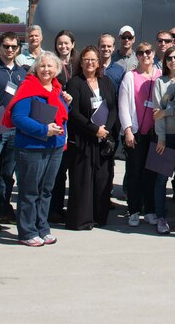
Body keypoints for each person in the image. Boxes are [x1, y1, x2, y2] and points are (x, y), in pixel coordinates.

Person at [4, 51, 68, 246]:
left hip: (54, 147)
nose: (46, 69)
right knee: (30, 191)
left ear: (57, 69)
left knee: (46, 190)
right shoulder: (28, 88)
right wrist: (43, 130)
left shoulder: (57, 89)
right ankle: (27, 231)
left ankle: (43, 227)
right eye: (42, 66)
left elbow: (62, 116)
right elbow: (18, 118)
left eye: (50, 66)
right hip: (32, 147)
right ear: (36, 68)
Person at [65, 46, 118, 230]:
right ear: (81, 62)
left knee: (102, 178)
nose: (90, 63)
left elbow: (113, 108)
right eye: (86, 59)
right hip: (83, 140)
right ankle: (82, 219)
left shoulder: (106, 82)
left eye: (93, 60)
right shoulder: (75, 83)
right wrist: (94, 129)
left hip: (103, 139)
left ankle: (99, 217)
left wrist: (106, 130)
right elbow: (74, 113)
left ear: (98, 63)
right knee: (83, 180)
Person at [0, 31, 27, 225]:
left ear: (18, 49)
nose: (10, 50)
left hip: (14, 130)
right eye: (6, 46)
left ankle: (3, 209)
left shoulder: (22, 73)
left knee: (7, 174)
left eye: (13, 46)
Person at [118, 41, 160, 226]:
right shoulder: (130, 76)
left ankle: (150, 210)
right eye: (141, 52)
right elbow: (123, 105)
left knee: (152, 174)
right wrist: (127, 129)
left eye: (148, 52)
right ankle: (134, 210)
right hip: (136, 133)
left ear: (153, 53)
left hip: (155, 133)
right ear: (137, 55)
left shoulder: (160, 75)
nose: (145, 55)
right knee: (135, 173)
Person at [152, 46, 175, 234]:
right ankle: (161, 217)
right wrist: (161, 138)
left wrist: (167, 111)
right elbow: (156, 114)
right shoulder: (160, 82)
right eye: (169, 58)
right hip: (165, 137)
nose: (173, 61)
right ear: (165, 62)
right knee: (161, 179)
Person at [48, 30, 76, 223]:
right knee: (58, 170)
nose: (63, 47)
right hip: (58, 122)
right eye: (60, 43)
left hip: (77, 122)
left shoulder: (77, 65)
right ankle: (55, 208)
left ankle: (73, 207)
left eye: (66, 43)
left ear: (73, 45)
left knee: (73, 168)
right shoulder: (52, 66)